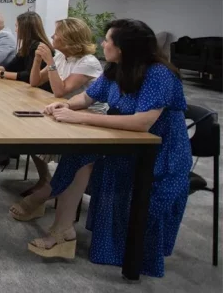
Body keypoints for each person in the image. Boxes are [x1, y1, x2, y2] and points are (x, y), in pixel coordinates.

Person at [16, 19, 190, 278]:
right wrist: (67, 106)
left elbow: (143, 123)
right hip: (122, 142)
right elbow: (86, 97)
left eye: (107, 40)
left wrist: (82, 117)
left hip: (158, 155)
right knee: (79, 156)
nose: (102, 44)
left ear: (123, 47)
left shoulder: (158, 74)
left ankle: (49, 207)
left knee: (84, 157)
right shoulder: (116, 69)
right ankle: (63, 230)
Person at [7, 17, 104, 199]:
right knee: (27, 130)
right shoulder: (61, 56)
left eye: (57, 34)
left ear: (68, 39)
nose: (52, 36)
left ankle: (56, 186)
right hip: (64, 109)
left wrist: (50, 62)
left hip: (87, 115)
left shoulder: (87, 62)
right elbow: (34, 81)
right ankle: (46, 179)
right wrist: (37, 60)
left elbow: (60, 91)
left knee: (35, 133)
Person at [0, 11, 53, 91]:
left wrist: (0, 74)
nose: (15, 30)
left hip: (41, 92)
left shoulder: (39, 47)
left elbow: (28, 76)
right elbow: (11, 67)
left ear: (25, 29)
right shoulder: (27, 46)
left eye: (17, 26)